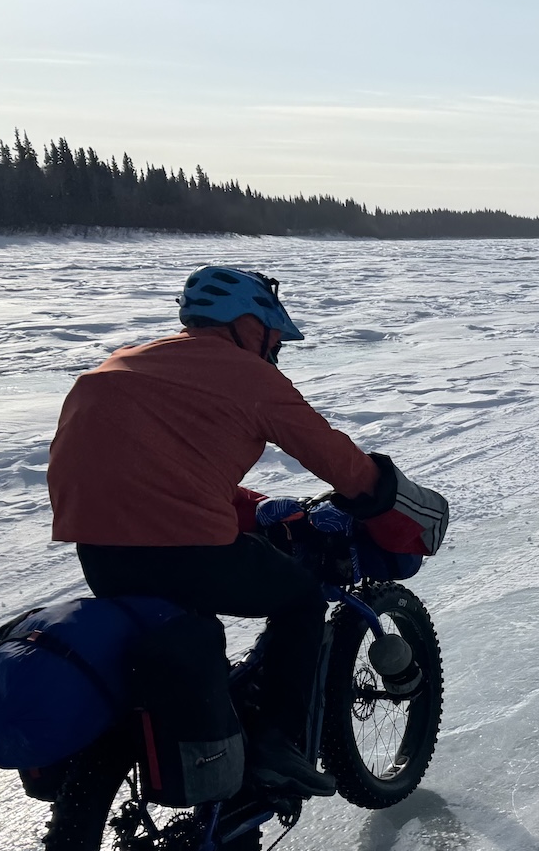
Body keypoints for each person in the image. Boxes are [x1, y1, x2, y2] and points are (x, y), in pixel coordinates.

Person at [47, 266, 400, 799]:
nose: (276, 345)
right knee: (300, 598)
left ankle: (213, 727)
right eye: (272, 332)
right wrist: (378, 491)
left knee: (181, 625)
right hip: (189, 553)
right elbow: (332, 455)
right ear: (245, 325)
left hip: (100, 554)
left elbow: (152, 473)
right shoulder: (248, 376)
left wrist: (250, 508)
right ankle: (277, 744)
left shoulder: (118, 367)